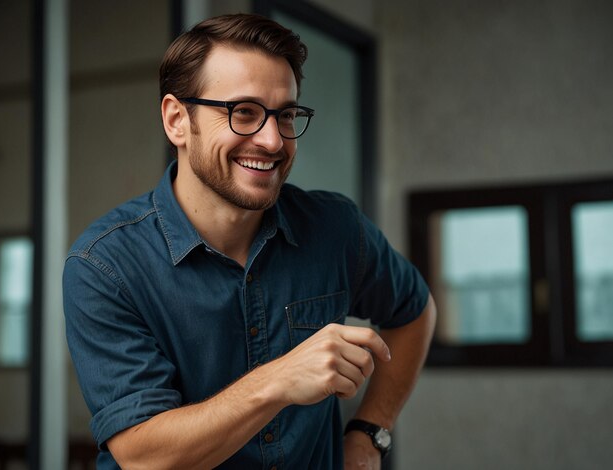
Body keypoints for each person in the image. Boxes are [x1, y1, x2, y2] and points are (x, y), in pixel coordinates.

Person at [63, 13, 436, 470]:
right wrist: (280, 379)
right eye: (244, 113)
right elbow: (145, 457)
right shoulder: (104, 265)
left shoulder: (335, 227)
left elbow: (416, 312)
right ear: (177, 120)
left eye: (286, 115)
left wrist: (368, 436)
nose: (272, 140)